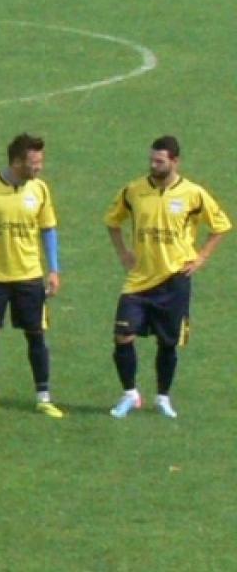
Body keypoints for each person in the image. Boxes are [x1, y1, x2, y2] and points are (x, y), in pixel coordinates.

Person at [104, 135, 230, 419]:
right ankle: (130, 394)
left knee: (168, 342)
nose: (153, 165)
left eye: (159, 161)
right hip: (139, 280)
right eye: (151, 160)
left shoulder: (193, 194)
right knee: (123, 335)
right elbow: (112, 221)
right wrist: (123, 252)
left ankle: (162, 397)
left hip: (174, 281)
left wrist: (201, 258)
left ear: (175, 161)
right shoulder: (133, 191)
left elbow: (221, 226)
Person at [0, 133, 63, 418]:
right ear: (16, 162)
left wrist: (54, 269)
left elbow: (48, 229)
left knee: (36, 334)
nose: (39, 167)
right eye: (34, 162)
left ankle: (43, 397)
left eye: (40, 161)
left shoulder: (40, 189)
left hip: (29, 275)